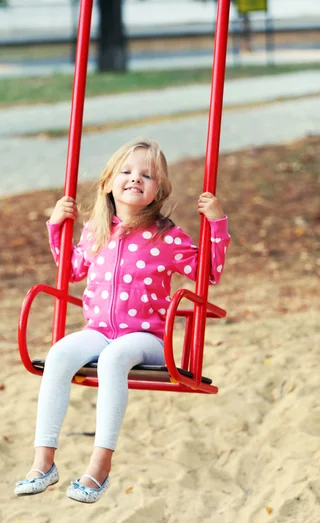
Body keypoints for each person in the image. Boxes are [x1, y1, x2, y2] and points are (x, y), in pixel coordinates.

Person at [14, 137, 231, 503]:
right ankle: (43, 462)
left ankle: (99, 466)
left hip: (147, 339)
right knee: (60, 354)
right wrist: (56, 227)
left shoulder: (166, 235)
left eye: (147, 175)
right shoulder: (96, 230)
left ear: (158, 190)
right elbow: (71, 271)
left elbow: (207, 274)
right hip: (99, 330)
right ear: (109, 181)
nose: (136, 178)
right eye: (127, 171)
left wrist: (217, 223)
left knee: (115, 359)